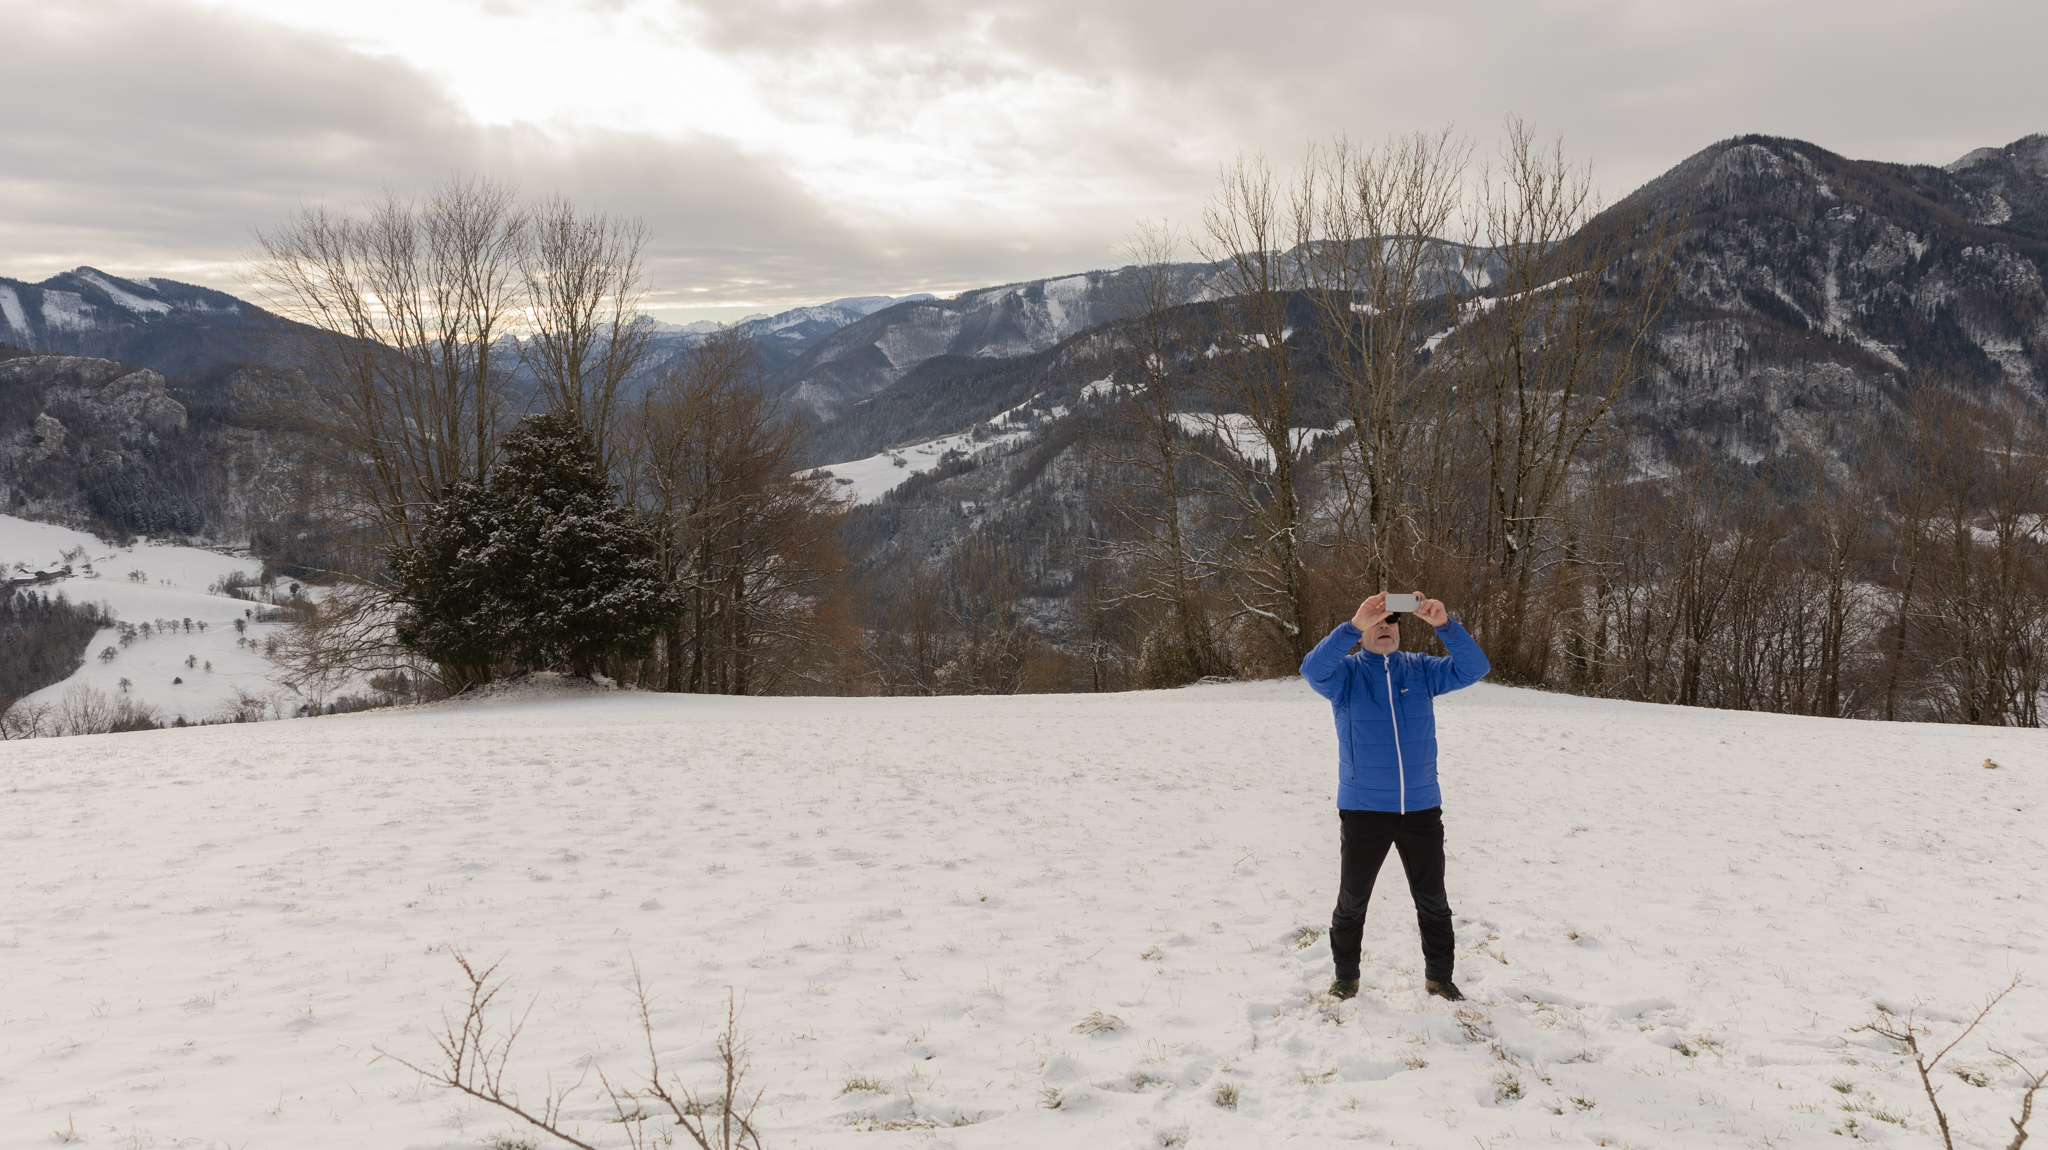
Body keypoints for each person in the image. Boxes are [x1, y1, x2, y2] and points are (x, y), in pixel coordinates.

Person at [1299, 591, 1490, 1002]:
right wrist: (1352, 624)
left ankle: (1440, 979)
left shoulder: (1421, 670)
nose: (1384, 628)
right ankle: (1346, 978)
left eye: (1391, 622)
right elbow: (1311, 670)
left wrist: (1443, 625)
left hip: (1421, 807)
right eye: (1376, 622)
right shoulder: (1345, 676)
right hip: (1364, 808)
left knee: (1433, 902)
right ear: (1364, 631)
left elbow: (1476, 667)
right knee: (1352, 901)